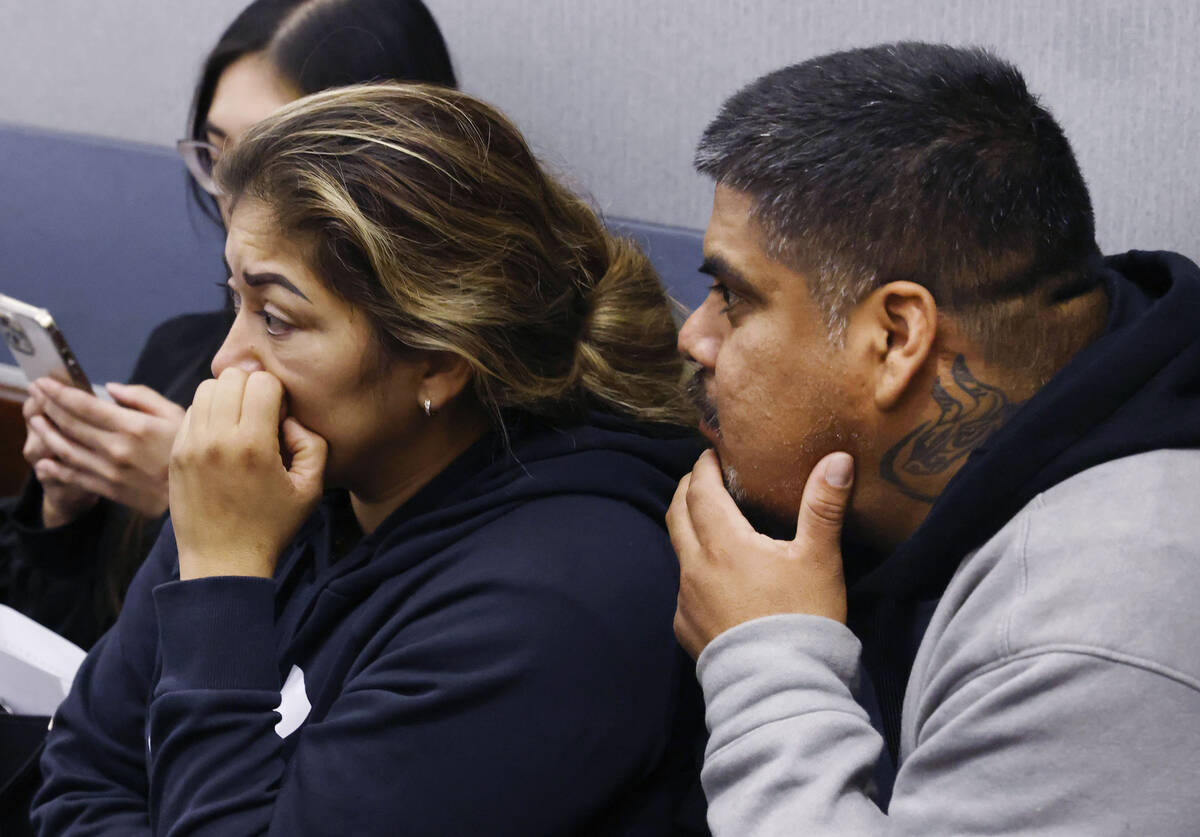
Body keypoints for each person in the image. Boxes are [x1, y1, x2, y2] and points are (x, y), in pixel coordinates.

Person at [33, 83, 710, 835]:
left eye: (277, 318)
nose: (226, 363)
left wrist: (224, 582)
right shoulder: (273, 477)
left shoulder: (557, 604)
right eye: (236, 303)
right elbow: (79, 773)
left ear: (439, 361)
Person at [667, 42, 1200, 834]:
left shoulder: (1082, 629)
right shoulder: (1070, 357)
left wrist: (764, 661)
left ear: (896, 336)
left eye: (732, 297)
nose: (695, 336)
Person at [0, 0, 456, 651]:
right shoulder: (183, 351)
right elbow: (75, 683)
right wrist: (66, 513)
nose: (233, 197)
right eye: (218, 157)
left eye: (273, 163)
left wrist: (199, 511)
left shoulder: (402, 453)